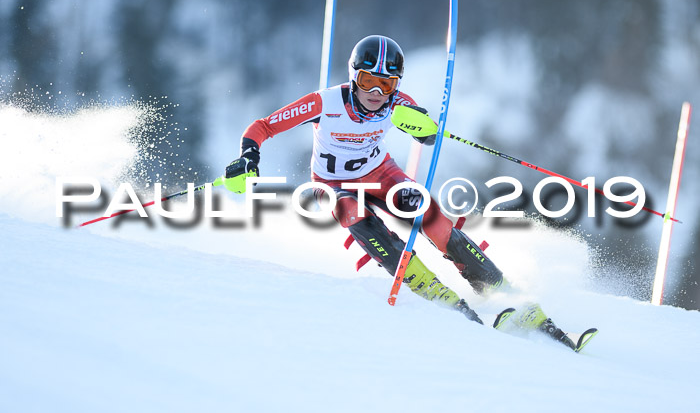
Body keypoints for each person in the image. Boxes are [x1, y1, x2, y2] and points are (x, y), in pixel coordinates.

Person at [224, 35, 576, 345]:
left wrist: (424, 129)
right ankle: (433, 291)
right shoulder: (325, 103)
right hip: (332, 185)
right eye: (367, 81)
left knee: (433, 220)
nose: (376, 93)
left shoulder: (396, 103)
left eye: (387, 85)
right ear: (353, 77)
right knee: (354, 214)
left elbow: (424, 128)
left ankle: (499, 291)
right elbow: (262, 126)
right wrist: (249, 156)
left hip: (380, 173)